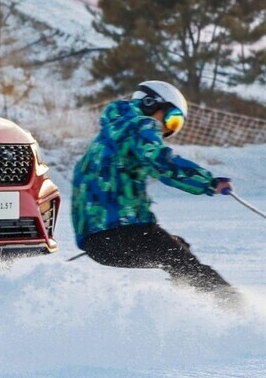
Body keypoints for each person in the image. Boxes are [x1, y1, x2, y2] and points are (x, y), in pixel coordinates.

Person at [71, 80, 239, 302]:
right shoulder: (140, 125)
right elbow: (163, 163)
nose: (169, 129)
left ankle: (180, 304)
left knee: (177, 249)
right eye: (172, 119)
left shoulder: (106, 136)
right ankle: (235, 308)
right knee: (183, 261)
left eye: (176, 125)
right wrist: (208, 182)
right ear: (151, 104)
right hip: (124, 232)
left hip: (95, 244)